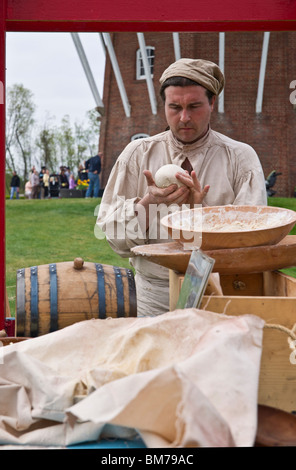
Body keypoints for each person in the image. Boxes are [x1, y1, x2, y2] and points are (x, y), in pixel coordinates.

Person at [97, 58, 267, 317]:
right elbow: (113, 238)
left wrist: (202, 214)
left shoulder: (240, 158)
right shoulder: (137, 154)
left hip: (220, 293)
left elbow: (253, 242)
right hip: (154, 295)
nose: (184, 117)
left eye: (194, 106)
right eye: (174, 107)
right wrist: (148, 203)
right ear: (163, 105)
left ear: (212, 103)